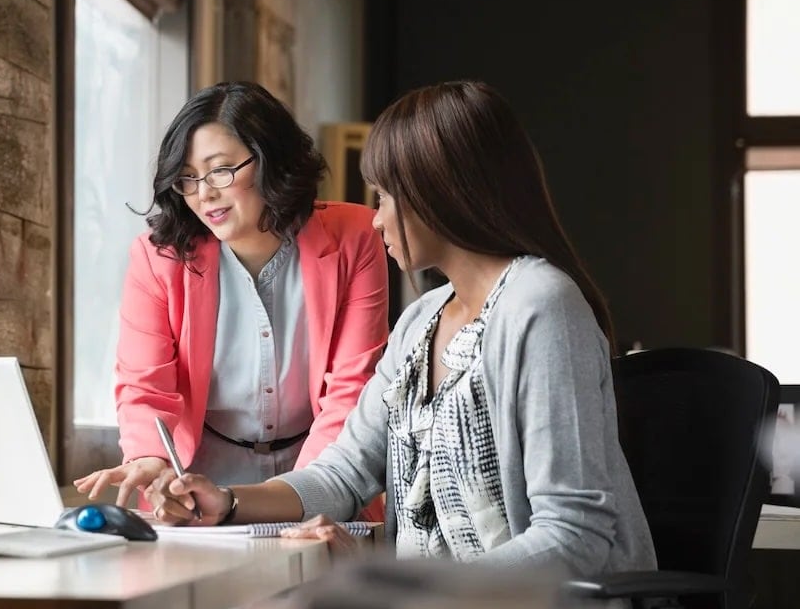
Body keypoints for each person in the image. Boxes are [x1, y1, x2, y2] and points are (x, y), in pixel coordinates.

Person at [147, 81, 657, 578]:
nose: (375, 220)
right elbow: (343, 474)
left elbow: (574, 535)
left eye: (387, 197)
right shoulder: (421, 321)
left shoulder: (541, 306)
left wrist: (402, 589)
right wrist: (229, 502)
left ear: (442, 194)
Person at [73, 82, 389, 517]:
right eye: (188, 178)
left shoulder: (356, 236)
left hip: (318, 470)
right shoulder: (158, 257)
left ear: (271, 160)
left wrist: (303, 493)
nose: (204, 193)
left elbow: (353, 388)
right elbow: (145, 386)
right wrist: (150, 456)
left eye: (220, 171)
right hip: (201, 484)